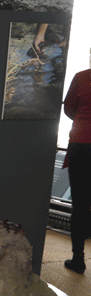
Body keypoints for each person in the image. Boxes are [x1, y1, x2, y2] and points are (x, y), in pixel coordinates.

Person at [63, 53, 91, 275]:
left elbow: (69, 109)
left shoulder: (81, 77)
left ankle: (78, 259)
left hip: (81, 144)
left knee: (80, 205)